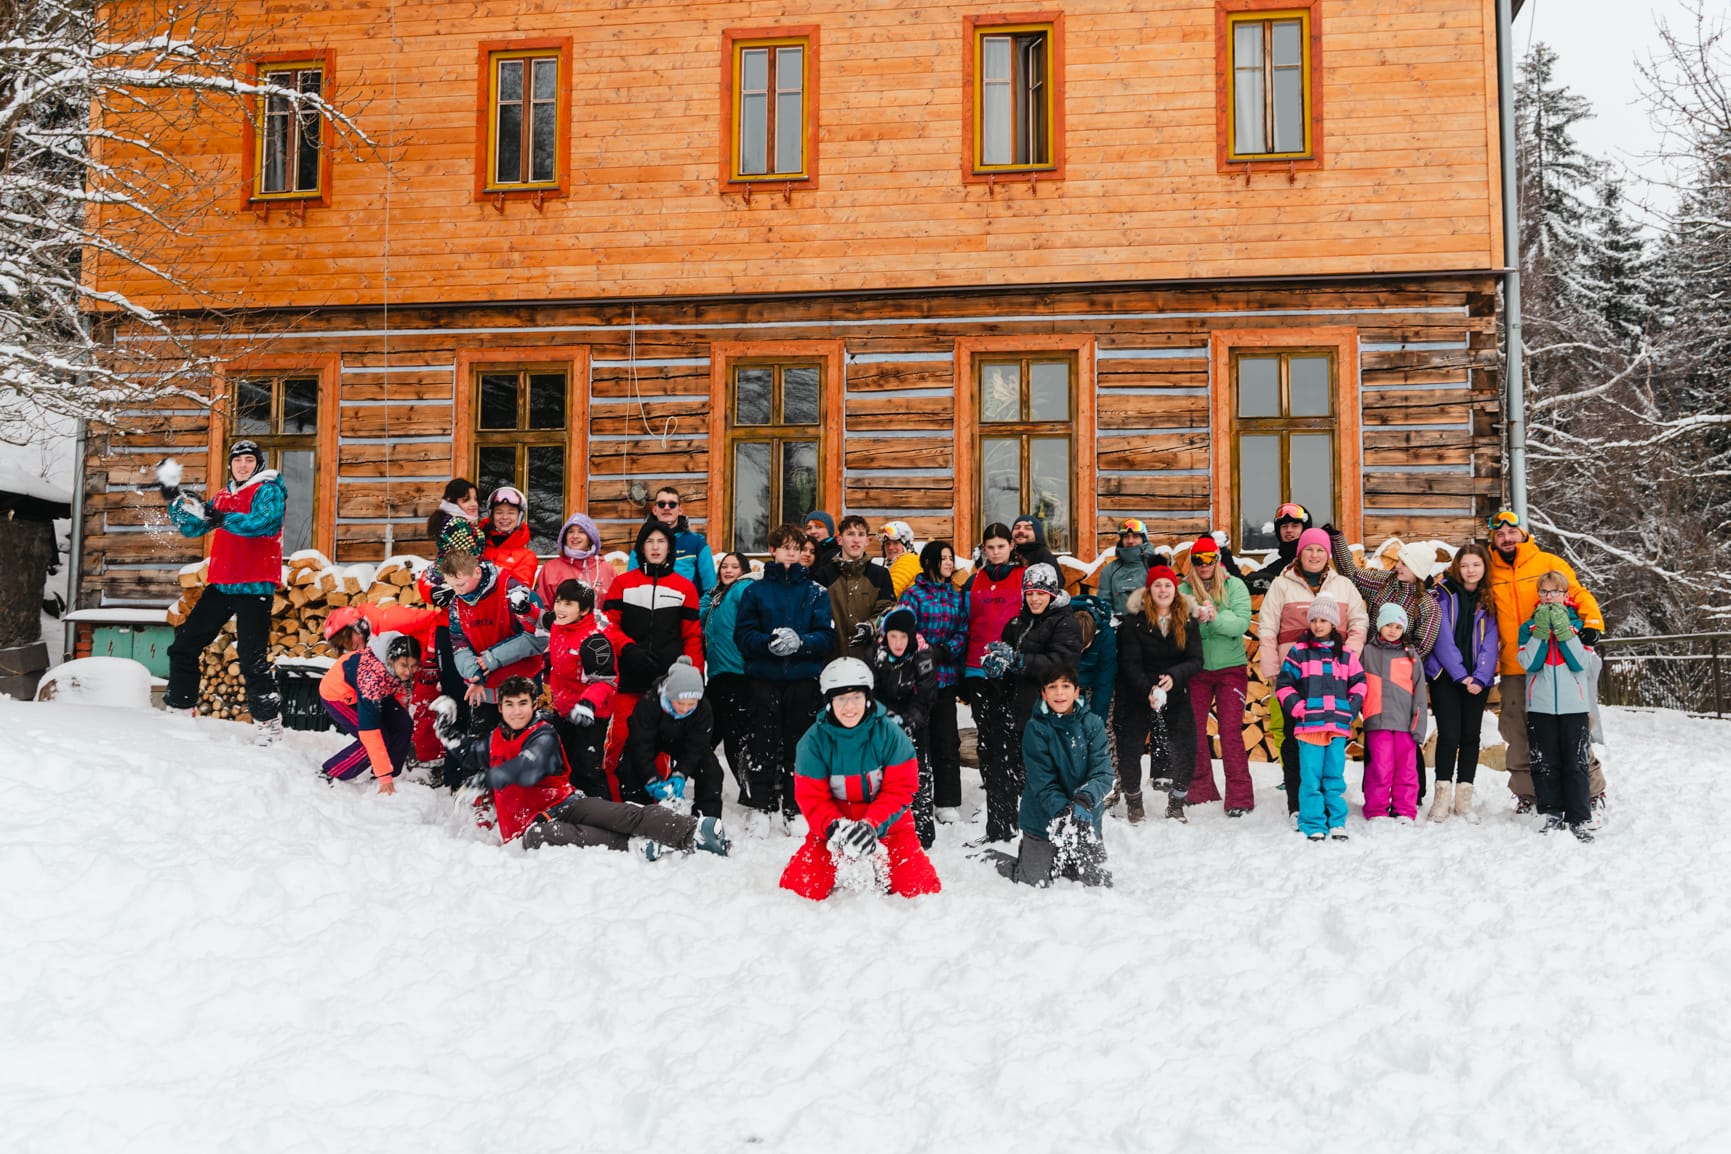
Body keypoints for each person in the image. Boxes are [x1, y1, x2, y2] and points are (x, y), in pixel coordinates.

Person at [439, 675, 730, 857]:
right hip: (531, 826)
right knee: (547, 836)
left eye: (523, 703)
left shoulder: (543, 734)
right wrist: (446, 732)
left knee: (624, 813)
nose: (517, 711)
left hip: (566, 803)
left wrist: (489, 778)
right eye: (510, 704)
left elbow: (528, 766)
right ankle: (634, 845)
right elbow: (470, 751)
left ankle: (697, 831)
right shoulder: (495, 739)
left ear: (533, 705)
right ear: (500, 708)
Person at [779, 658, 941, 900]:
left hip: (889, 827)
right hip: (833, 827)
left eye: (856, 697)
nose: (849, 707)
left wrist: (871, 825)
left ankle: (883, 863)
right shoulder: (812, 743)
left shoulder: (891, 735)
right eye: (840, 699)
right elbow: (812, 798)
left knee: (920, 889)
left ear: (867, 697)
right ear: (829, 702)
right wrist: (835, 828)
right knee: (800, 888)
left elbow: (900, 790)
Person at [158, 441, 287, 744]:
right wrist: (174, 500)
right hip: (223, 583)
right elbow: (193, 527)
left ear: (257, 463)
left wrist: (222, 518)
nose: (243, 465)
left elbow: (262, 524)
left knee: (250, 658)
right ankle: (180, 709)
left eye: (248, 460)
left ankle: (268, 723)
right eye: (237, 460)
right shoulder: (224, 496)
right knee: (184, 645)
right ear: (230, 465)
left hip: (255, 583)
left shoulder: (268, 489)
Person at [1484, 509, 1608, 820]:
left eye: (1512, 532)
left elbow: (1578, 592)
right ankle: (1529, 794)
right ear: (1493, 539)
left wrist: (1592, 622)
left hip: (1559, 664)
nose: (1506, 538)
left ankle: (1591, 791)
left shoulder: (1547, 563)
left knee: (1573, 729)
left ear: (1523, 534)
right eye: (1499, 534)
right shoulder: (1488, 570)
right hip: (1515, 664)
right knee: (1517, 732)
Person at [1258, 527, 1368, 821]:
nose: (1315, 555)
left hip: (1333, 678)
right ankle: (1298, 804)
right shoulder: (1282, 585)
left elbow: (1359, 621)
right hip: (1294, 676)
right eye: (1309, 549)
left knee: (1330, 742)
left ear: (1328, 555)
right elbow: (1267, 628)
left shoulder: (1343, 585)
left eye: (1320, 550)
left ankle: (1328, 802)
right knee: (1295, 741)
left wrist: (1349, 658)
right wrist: (1272, 670)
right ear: (1300, 552)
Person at [734, 523, 835, 824]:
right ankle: (759, 805)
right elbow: (743, 636)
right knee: (761, 742)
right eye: (786, 547)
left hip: (803, 679)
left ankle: (797, 805)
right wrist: (768, 643)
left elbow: (826, 637)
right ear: (773, 550)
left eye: (797, 548)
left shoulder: (816, 592)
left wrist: (801, 643)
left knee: (801, 744)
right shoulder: (755, 591)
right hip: (763, 678)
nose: (791, 553)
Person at [979, 562, 1083, 843]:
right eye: (1029, 593)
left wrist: (1019, 661)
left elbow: (1061, 663)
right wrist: (996, 668)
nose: (1034, 598)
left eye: (1040, 593)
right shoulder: (1017, 622)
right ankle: (1000, 831)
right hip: (1012, 710)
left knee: (1041, 778)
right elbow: (1006, 659)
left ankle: (1045, 836)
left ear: (1052, 593)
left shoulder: (1065, 623)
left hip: (1046, 714)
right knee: (1001, 772)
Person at [601, 522, 704, 790]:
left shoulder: (685, 588)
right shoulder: (623, 583)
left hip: (666, 684)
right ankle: (613, 802)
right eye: (650, 541)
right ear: (641, 547)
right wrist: (628, 648)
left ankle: (658, 802)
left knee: (659, 746)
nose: (656, 547)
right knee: (620, 739)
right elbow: (607, 625)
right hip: (628, 678)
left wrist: (693, 675)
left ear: (670, 548)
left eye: (661, 541)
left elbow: (692, 637)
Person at [997, 667, 1114, 888]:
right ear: (1043, 693)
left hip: (1083, 818)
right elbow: (1043, 781)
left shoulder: (1093, 724)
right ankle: (995, 860)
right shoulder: (1036, 728)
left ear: (1077, 691)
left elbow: (1104, 773)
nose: (1059, 693)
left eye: (1066, 686)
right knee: (1033, 882)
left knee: (1098, 883)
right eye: (1053, 687)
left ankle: (1067, 857)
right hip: (1044, 819)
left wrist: (1084, 800)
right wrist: (1064, 810)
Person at [437, 549, 547, 778]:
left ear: (476, 572)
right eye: (452, 586)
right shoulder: (457, 603)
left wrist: (492, 658)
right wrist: (474, 674)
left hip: (520, 683)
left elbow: (538, 636)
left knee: (521, 743)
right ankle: (480, 796)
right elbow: (459, 642)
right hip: (485, 686)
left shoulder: (513, 591)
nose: (457, 591)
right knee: (481, 744)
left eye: (461, 584)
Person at [1114, 565, 1204, 823]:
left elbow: (1196, 659)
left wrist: (1175, 676)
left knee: (1187, 746)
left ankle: (1177, 802)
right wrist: (1149, 690)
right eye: (1157, 585)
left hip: (1175, 691)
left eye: (1167, 585)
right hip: (1139, 692)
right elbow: (1130, 663)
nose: (1163, 590)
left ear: (1175, 590)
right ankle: (1134, 801)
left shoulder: (1187, 619)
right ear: (1148, 590)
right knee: (1129, 747)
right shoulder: (1134, 622)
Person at [1274, 594, 1367, 841]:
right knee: (1311, 777)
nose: (1318, 625)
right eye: (1313, 619)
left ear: (1333, 623)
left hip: (1336, 725)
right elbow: (1284, 685)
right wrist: (1298, 707)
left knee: (1334, 776)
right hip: (1309, 727)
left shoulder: (1345, 655)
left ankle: (1336, 821)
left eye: (1323, 620)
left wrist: (1350, 707)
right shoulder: (1299, 652)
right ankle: (1313, 822)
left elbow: (1359, 684)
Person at [1518, 570, 1600, 842]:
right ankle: (1551, 812)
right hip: (1540, 706)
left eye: (1555, 592)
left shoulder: (1579, 626)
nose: (1549, 597)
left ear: (1566, 595)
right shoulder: (1528, 628)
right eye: (1544, 592)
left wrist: (1565, 632)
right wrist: (1541, 633)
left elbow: (1581, 663)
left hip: (1573, 705)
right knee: (1544, 762)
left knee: (1575, 762)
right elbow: (1529, 663)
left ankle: (1579, 816)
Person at [1180, 534, 1256, 816]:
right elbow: (1176, 626)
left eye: (1209, 559)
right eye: (1198, 561)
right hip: (1197, 668)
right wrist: (1194, 619)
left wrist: (1215, 618)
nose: (1203, 566)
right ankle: (1201, 789)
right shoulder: (1184, 589)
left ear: (1217, 559)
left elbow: (1241, 623)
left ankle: (1240, 796)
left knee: (1230, 731)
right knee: (1195, 729)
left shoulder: (1234, 585)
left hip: (1230, 668)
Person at [1425, 544, 1500, 823]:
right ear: (1458, 566)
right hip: (1446, 675)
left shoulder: (1489, 597)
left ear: (1484, 568)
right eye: (1465, 565)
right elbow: (1442, 639)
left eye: (1476, 565)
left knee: (1471, 737)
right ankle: (1441, 799)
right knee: (1449, 735)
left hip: (1476, 680)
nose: (1470, 570)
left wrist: (1480, 677)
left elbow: (1491, 641)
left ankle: (1464, 800)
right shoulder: (1442, 594)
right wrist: (1461, 674)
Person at [899, 541, 967, 826]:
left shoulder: (956, 596)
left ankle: (947, 801)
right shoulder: (913, 594)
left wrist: (947, 650)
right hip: (918, 681)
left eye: (951, 558)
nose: (950, 563)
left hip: (946, 679)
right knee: (918, 741)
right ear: (929, 562)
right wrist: (925, 651)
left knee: (946, 740)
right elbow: (903, 627)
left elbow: (964, 629)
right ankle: (916, 797)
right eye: (944, 558)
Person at [317, 611, 420, 792]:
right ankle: (331, 773)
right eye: (345, 645)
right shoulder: (371, 678)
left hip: (378, 689)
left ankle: (390, 775)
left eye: (349, 640)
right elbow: (369, 732)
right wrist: (384, 777)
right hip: (340, 696)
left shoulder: (396, 646)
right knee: (376, 736)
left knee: (403, 724)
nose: (351, 646)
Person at [545, 578, 626, 800]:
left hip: (592, 713)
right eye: (559, 601)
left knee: (587, 767)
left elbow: (605, 681)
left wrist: (588, 704)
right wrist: (526, 609)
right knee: (564, 764)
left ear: (585, 610)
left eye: (568, 604)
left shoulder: (594, 640)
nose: (560, 609)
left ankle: (604, 814)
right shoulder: (559, 623)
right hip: (564, 708)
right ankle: (573, 810)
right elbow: (543, 619)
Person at [868, 606, 939, 848]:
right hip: (883, 722)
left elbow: (926, 696)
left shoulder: (923, 656)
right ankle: (883, 826)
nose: (898, 643)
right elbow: (869, 691)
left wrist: (909, 721)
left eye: (903, 637)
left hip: (915, 721)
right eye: (893, 636)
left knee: (918, 774)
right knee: (881, 777)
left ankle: (922, 831)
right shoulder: (875, 655)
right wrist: (884, 716)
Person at [619, 657, 726, 818]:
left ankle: (707, 821)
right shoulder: (649, 703)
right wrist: (651, 779)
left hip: (683, 742)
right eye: (680, 703)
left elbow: (697, 746)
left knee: (712, 770)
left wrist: (680, 773)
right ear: (669, 695)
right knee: (629, 765)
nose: (685, 709)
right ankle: (638, 815)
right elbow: (641, 744)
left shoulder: (703, 709)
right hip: (651, 739)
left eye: (691, 704)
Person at [1359, 605, 1428, 824]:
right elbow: (1358, 684)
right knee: (1380, 766)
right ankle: (1377, 809)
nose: (1392, 630)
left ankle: (1405, 809)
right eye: (1388, 625)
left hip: (1405, 722)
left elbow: (1419, 693)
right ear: (1379, 625)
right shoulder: (1367, 652)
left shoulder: (1411, 656)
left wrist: (1418, 725)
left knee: (1407, 769)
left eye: (1398, 627)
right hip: (1377, 720)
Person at [1327, 528, 1441, 659]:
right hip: (1368, 660)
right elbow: (1351, 575)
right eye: (1398, 561)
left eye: (1404, 563)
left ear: (1417, 569)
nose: (1397, 566)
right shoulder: (1383, 581)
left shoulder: (1428, 604)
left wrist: (1392, 659)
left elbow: (1422, 646)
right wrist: (1337, 540)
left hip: (1398, 669)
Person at [700, 551, 754, 782]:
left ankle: (751, 789)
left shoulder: (741, 589)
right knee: (705, 733)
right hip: (718, 675)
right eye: (724, 566)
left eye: (734, 566)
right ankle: (698, 779)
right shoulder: (717, 597)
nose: (728, 570)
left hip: (738, 676)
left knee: (734, 737)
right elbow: (701, 614)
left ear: (743, 571)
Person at [627, 486, 716, 598]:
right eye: (661, 504)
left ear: (680, 510)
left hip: (685, 610)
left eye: (672, 504)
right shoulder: (642, 543)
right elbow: (629, 585)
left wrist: (696, 611)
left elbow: (711, 589)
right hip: (649, 610)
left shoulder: (697, 543)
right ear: (654, 510)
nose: (667, 508)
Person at [828, 516, 895, 660]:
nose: (856, 540)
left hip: (869, 658)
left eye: (861, 534)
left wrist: (871, 626)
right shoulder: (824, 575)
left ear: (867, 541)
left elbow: (887, 612)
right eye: (850, 534)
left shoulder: (880, 575)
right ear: (840, 540)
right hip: (832, 658)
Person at [533, 512, 613, 611]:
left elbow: (615, 608)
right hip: (561, 626)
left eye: (581, 531)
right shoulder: (550, 568)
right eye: (570, 531)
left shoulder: (606, 569)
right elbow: (540, 608)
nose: (575, 536)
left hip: (599, 625)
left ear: (591, 538)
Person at [1244, 502, 1312, 596]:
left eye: (1295, 526)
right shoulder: (1278, 564)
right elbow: (1243, 585)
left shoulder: (1313, 561)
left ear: (1304, 530)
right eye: (1284, 526)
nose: (1289, 530)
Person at [1095, 519, 1158, 616]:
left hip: (1151, 627)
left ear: (1144, 539)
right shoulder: (1109, 571)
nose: (1130, 541)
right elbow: (1104, 606)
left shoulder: (1155, 567)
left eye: (1136, 536)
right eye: (1126, 537)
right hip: (1120, 628)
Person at [480, 486, 538, 588]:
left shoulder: (527, 557)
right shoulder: (478, 547)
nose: (505, 517)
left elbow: (520, 586)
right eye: (499, 512)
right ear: (492, 516)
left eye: (511, 513)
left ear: (519, 516)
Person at [425, 477, 480, 548]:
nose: (474, 504)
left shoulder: (460, 522)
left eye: (475, 499)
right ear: (451, 501)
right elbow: (469, 553)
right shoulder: (454, 525)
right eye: (466, 500)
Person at [878, 520, 921, 597]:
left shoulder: (907, 561)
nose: (890, 547)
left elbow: (888, 595)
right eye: (887, 544)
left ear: (906, 545)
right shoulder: (899, 563)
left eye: (895, 543)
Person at [804, 512, 841, 585]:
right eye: (809, 528)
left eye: (818, 527)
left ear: (829, 530)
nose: (813, 531)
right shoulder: (805, 552)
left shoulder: (834, 554)